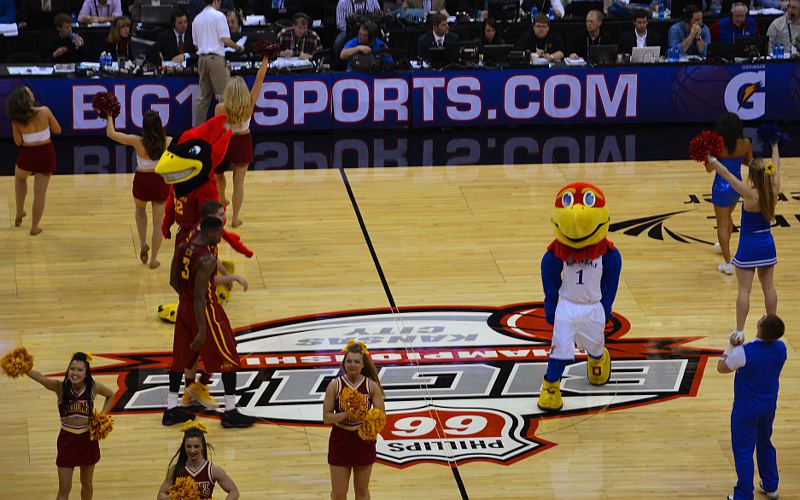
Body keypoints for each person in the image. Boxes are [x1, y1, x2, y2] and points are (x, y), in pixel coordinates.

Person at [164, 213, 255, 428]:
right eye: (219, 234)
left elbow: (173, 281)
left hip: (184, 305)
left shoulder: (182, 248)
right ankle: (230, 412)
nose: (220, 238)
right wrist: (202, 330)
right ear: (209, 232)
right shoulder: (206, 258)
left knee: (179, 358)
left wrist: (184, 298)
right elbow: (199, 296)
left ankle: (170, 409)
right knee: (229, 355)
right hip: (204, 309)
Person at [707, 142, 780, 340]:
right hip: (767, 244)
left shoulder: (749, 194)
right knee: (769, 287)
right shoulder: (773, 190)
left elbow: (728, 176)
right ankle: (772, 326)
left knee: (744, 290)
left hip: (749, 246)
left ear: (751, 177)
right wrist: (774, 147)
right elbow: (777, 167)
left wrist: (713, 161)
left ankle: (739, 330)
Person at [26, 352, 115, 500]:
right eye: (72, 369)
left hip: (88, 440)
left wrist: (103, 415)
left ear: (86, 373)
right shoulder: (59, 387)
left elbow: (111, 395)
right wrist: (25, 369)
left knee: (86, 484)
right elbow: (41, 378)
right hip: (67, 441)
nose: (75, 373)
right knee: (64, 488)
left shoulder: (93, 387)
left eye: (80, 370)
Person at [717, 313, 786, 500]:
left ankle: (744, 494)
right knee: (765, 443)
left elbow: (721, 367)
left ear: (761, 328)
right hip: (768, 406)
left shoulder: (744, 351)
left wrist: (731, 346)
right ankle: (771, 486)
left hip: (745, 409)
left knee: (743, 450)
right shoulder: (782, 348)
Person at [105, 109, 171, 268]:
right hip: (160, 182)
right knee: (158, 224)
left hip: (142, 181)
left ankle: (142, 243)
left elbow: (111, 133)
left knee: (140, 210)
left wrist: (109, 115)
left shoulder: (137, 141)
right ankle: (154, 259)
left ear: (144, 127)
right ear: (160, 125)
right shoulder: (169, 141)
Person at [323, 341, 386, 500]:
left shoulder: (371, 386)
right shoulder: (334, 386)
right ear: (344, 363)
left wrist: (367, 424)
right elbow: (326, 417)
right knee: (338, 494)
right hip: (340, 439)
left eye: (356, 361)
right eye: (349, 361)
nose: (352, 364)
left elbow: (381, 415)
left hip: (363, 440)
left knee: (362, 492)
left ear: (363, 364)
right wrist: (346, 414)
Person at [213, 55, 269, 227]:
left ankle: (221, 199)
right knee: (239, 183)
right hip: (243, 141)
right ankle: (235, 218)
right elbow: (259, 79)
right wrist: (265, 59)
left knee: (218, 174)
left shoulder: (221, 108)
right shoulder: (249, 104)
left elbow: (216, 130)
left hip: (225, 141)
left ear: (228, 92)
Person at [8, 86, 61, 236]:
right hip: (46, 154)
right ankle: (34, 227)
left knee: (20, 178)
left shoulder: (16, 120)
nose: (32, 92)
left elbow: (18, 142)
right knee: (40, 194)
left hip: (28, 154)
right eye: (29, 91)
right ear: (29, 98)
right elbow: (57, 130)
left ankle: (19, 210)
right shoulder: (45, 111)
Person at [707, 112, 752, 275]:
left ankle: (728, 263)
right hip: (736, 187)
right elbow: (749, 161)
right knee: (728, 218)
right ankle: (723, 246)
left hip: (721, 187)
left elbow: (709, 169)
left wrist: (709, 157)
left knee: (722, 224)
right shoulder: (746, 143)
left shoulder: (718, 147)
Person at [192, 0, 243, 127]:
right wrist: (238, 47)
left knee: (203, 99)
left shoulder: (196, 19)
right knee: (224, 97)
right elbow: (225, 39)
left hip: (202, 59)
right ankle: (226, 129)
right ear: (216, 1)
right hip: (216, 60)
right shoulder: (219, 16)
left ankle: (197, 131)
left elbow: (196, 44)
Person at [157, 422, 240, 499]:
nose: (192, 451)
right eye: (188, 446)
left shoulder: (212, 470)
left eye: (196, 446)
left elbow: (234, 491)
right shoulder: (175, 469)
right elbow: (161, 495)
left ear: (202, 446)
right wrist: (174, 497)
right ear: (184, 447)